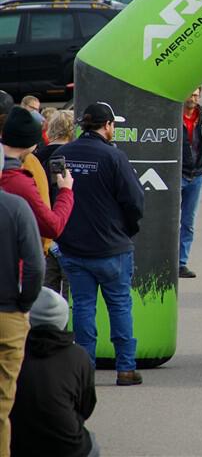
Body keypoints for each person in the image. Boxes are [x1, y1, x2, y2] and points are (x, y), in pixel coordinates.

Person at [54, 102, 145, 386]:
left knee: (82, 307)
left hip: (73, 247)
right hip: (112, 248)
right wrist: (126, 230)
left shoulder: (61, 155)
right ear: (107, 126)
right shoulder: (114, 157)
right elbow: (134, 201)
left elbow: (51, 196)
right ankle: (126, 369)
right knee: (119, 306)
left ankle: (85, 372)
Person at [10, 287, 99, 457]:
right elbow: (86, 406)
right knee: (92, 443)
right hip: (67, 447)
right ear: (64, 319)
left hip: (16, 444)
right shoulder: (78, 356)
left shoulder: (12, 353)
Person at [0, 144, 44, 457]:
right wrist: (24, 304)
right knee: (2, 404)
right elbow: (34, 265)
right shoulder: (15, 208)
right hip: (7, 312)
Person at [0, 107, 74, 251]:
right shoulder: (19, 179)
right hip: (17, 258)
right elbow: (52, 227)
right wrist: (65, 191)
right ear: (29, 143)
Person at [35, 110, 76, 296]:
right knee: (70, 297)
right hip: (66, 231)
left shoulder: (33, 157)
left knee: (45, 296)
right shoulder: (73, 156)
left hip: (40, 234)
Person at [179, 87, 202, 279]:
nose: (192, 98)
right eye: (190, 94)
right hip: (177, 176)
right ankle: (165, 260)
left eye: (196, 95)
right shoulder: (173, 117)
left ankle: (181, 262)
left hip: (196, 177)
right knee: (169, 221)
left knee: (188, 222)